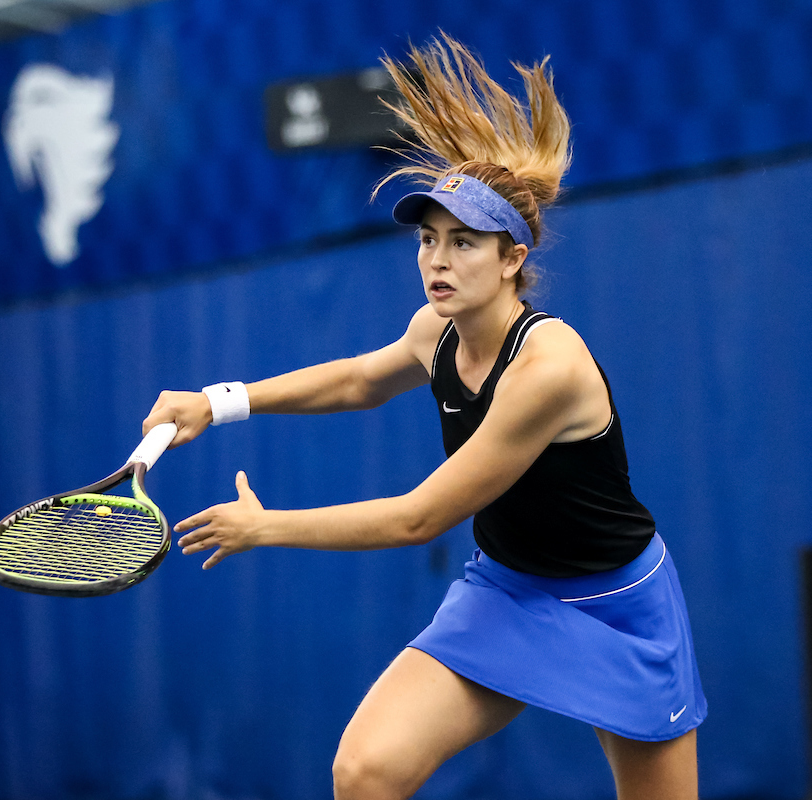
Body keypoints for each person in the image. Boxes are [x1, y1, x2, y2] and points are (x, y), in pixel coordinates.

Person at [142, 35, 704, 800]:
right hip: (506, 591)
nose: (438, 260)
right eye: (429, 239)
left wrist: (267, 526)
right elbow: (356, 383)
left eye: (464, 243)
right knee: (365, 773)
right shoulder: (432, 331)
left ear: (511, 258)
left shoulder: (548, 367)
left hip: (615, 608)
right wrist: (217, 401)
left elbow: (418, 519)